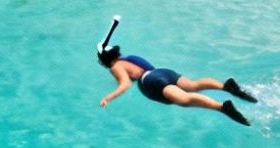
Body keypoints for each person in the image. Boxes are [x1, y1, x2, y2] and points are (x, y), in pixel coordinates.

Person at [98, 44, 257, 125]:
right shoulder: (130, 57)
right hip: (163, 71)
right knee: (193, 85)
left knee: (184, 99)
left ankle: (222, 107)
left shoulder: (116, 66)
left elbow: (125, 84)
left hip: (150, 81)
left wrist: (108, 97)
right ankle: (226, 87)